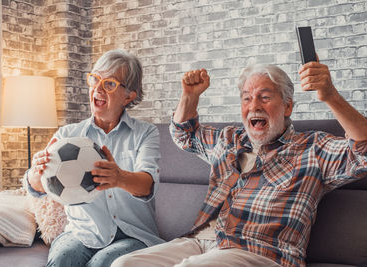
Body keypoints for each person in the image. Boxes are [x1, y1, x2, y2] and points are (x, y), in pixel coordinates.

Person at [111, 59, 367, 267]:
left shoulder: (313, 148)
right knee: (124, 264)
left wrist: (330, 95)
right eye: (247, 98)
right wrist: (190, 95)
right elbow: (183, 134)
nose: (254, 105)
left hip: (263, 253)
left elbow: (363, 151)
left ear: (287, 106)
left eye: (265, 97)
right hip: (202, 243)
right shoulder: (229, 139)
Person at [24, 49, 164, 267]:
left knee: (101, 264)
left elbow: (147, 186)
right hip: (82, 232)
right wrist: (36, 173)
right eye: (95, 79)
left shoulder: (145, 133)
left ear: (129, 95)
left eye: (109, 84)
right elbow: (37, 187)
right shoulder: (67, 135)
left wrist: (119, 178)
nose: (97, 89)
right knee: (63, 259)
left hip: (133, 236)